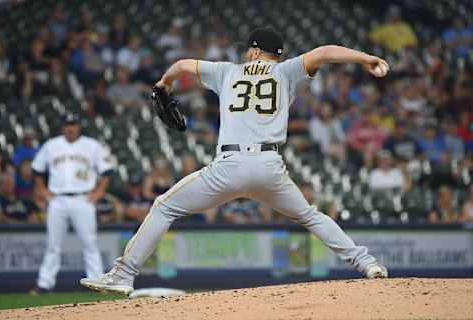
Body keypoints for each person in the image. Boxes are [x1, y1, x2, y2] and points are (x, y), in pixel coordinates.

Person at [81, 27, 389, 295]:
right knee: (309, 216)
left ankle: (122, 275)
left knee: (164, 206)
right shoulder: (286, 71)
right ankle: (367, 263)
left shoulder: (227, 71)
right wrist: (366, 58)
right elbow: (323, 51)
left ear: (255, 50)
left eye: (249, 47)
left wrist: (165, 84)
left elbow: (181, 64)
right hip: (270, 166)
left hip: (229, 165)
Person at [30, 113, 113, 294]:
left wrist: (98, 193)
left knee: (89, 243)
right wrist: (43, 192)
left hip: (83, 199)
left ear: (79, 126)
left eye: (73, 124)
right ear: (62, 126)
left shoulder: (92, 146)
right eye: (67, 124)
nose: (70, 127)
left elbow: (107, 172)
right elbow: (36, 170)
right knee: (53, 244)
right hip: (57, 200)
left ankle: (97, 282)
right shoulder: (51, 146)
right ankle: (44, 284)